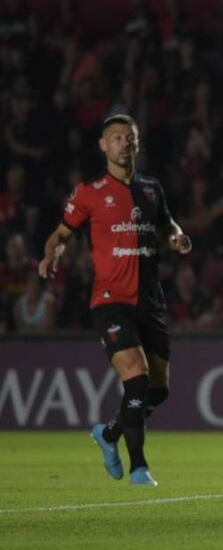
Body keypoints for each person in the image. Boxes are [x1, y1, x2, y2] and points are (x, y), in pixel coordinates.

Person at [38, 114, 192, 487]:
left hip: (150, 301)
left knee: (159, 389)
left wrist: (178, 237)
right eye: (117, 138)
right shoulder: (88, 193)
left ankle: (109, 434)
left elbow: (169, 225)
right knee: (136, 381)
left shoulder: (153, 189)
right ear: (104, 146)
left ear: (137, 144)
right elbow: (60, 234)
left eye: (130, 137)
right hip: (111, 301)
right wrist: (51, 254)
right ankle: (139, 466)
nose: (124, 143)